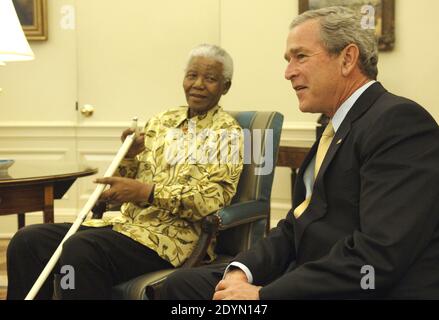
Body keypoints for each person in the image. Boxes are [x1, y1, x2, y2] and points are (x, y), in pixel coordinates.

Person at [161, 6, 439, 300]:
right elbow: (298, 224)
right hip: (309, 270)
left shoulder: (398, 122)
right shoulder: (336, 126)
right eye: (288, 59)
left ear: (347, 58)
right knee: (181, 286)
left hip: (361, 288)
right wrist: (243, 269)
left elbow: (378, 257)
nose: (288, 72)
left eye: (300, 56)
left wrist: (262, 295)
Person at [6, 44, 244, 300]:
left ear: (225, 86)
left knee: (80, 249)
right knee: (27, 241)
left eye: (209, 79)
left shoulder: (227, 134)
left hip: (171, 240)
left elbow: (212, 201)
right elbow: (133, 180)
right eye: (191, 75)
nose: (197, 84)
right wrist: (129, 157)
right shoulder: (162, 120)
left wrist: (146, 192)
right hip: (126, 227)